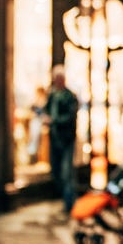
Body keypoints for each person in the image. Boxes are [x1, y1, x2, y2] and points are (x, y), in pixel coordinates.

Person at [44, 65, 79, 216]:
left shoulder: (69, 96)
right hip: (55, 138)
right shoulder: (52, 95)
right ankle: (67, 199)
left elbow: (70, 117)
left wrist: (54, 121)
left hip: (66, 140)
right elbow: (46, 110)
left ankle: (70, 202)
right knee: (57, 171)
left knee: (66, 173)